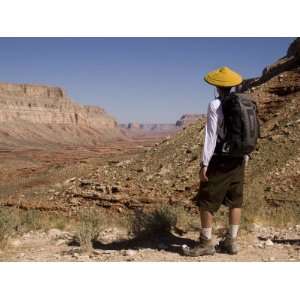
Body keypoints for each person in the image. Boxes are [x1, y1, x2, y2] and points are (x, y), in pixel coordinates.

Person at [183, 66, 247, 256]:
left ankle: (205, 243)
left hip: (220, 159)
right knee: (235, 201)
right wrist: (245, 156)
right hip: (239, 158)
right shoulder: (245, 104)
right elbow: (247, 134)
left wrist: (204, 163)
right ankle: (232, 242)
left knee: (206, 199)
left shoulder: (215, 105)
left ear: (217, 86)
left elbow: (210, 137)